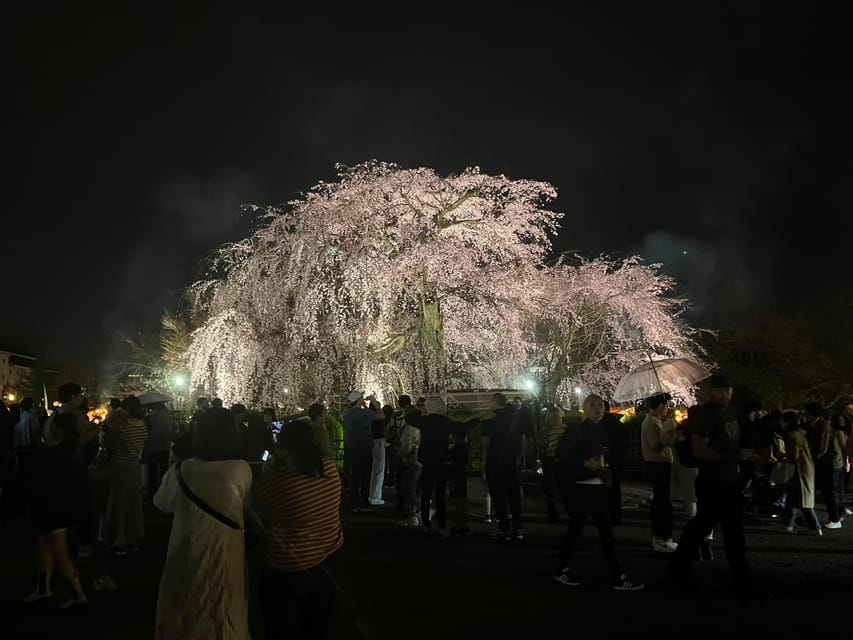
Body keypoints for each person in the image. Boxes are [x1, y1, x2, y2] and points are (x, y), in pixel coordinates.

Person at [153, 407, 253, 640]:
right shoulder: (240, 470)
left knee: (186, 606)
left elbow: (162, 503)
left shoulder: (182, 469)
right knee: (226, 601)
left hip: (187, 547)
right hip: (226, 548)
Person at [667, 374, 767, 597]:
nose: (725, 394)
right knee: (725, 530)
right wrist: (735, 455)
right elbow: (699, 450)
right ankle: (741, 580)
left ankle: (679, 566)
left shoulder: (730, 413)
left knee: (708, 527)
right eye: (720, 389)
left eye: (728, 389)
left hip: (729, 480)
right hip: (712, 481)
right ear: (711, 392)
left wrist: (746, 454)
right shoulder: (705, 414)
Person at [254, 419, 344, 638]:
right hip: (328, 555)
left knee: (282, 626)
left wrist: (271, 467)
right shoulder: (329, 469)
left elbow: (259, 507)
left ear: (282, 446)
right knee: (316, 624)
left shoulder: (278, 481)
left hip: (288, 564)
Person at [551, 394, 644, 591]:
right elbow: (562, 453)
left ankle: (617, 574)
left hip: (595, 484)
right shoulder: (578, 429)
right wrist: (584, 463)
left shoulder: (602, 429)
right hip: (580, 485)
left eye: (600, 405)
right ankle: (564, 568)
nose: (597, 409)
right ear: (584, 408)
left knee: (602, 529)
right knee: (583, 527)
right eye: (592, 405)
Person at [24, 412, 88, 608]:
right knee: (44, 543)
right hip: (60, 503)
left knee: (58, 547)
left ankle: (76, 591)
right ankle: (43, 587)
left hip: (54, 504)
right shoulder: (73, 449)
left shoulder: (57, 453)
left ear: (59, 430)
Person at [640, 393, 678, 552]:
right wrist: (669, 427)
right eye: (666, 405)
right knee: (662, 502)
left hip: (659, 465)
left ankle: (661, 537)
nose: (667, 408)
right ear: (661, 405)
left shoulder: (654, 421)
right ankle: (661, 538)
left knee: (661, 501)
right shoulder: (651, 423)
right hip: (658, 465)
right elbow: (656, 446)